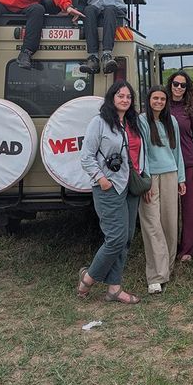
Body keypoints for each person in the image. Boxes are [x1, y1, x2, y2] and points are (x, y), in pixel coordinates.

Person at [77, 80, 144, 304]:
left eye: (128, 97)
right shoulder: (99, 123)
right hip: (109, 187)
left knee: (126, 238)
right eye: (120, 96)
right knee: (115, 238)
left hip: (129, 186)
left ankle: (114, 288)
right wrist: (101, 179)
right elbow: (86, 156)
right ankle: (88, 278)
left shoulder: (132, 122)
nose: (125, 100)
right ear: (112, 98)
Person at [138, 86, 186, 294]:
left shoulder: (171, 121)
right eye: (155, 98)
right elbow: (141, 153)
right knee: (151, 223)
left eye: (162, 99)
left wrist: (181, 178)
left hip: (170, 174)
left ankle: (167, 266)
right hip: (151, 176)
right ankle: (156, 276)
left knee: (169, 222)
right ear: (149, 100)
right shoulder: (141, 121)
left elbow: (177, 152)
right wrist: (146, 181)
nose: (158, 102)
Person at [167, 71, 193, 263]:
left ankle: (188, 248)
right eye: (175, 84)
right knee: (170, 209)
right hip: (167, 165)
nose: (178, 88)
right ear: (170, 84)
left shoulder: (191, 109)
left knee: (190, 208)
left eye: (183, 85)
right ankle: (171, 246)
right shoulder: (162, 106)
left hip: (189, 163)